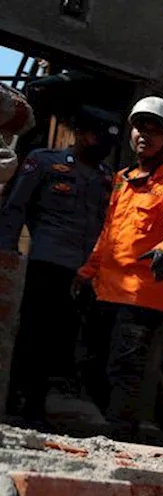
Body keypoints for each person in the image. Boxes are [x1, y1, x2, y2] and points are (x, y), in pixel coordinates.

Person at [77, 97, 163, 439]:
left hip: (141, 297)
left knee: (124, 371)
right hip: (104, 290)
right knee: (89, 363)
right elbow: (109, 232)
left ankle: (119, 438)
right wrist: (86, 271)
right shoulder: (122, 180)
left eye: (154, 130)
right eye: (139, 128)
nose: (144, 135)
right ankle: (107, 429)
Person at [0, 105, 117, 425]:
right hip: (46, 263)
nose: (102, 145)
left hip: (86, 273)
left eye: (108, 141)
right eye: (96, 136)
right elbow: (14, 210)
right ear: (79, 134)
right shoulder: (44, 161)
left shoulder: (107, 178)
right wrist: (6, 256)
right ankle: (19, 400)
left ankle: (48, 406)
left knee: (68, 340)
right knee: (33, 334)